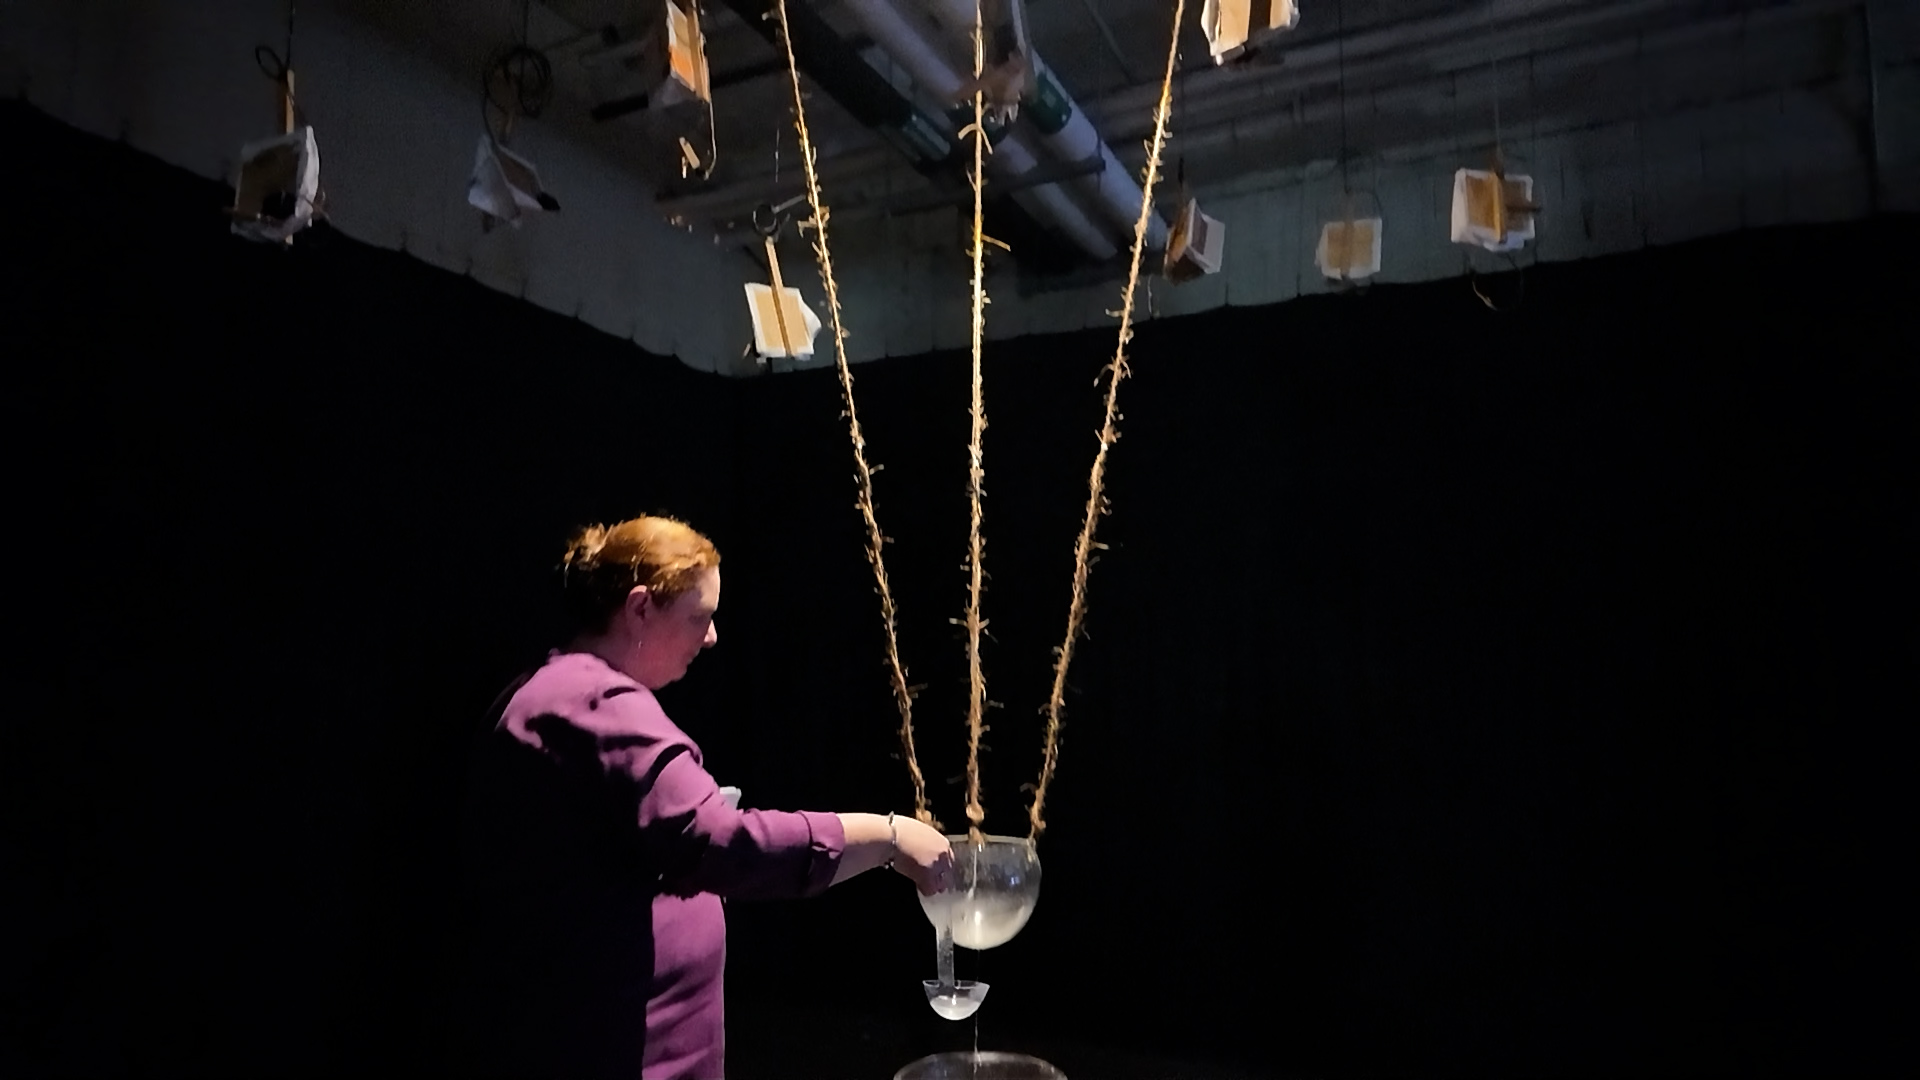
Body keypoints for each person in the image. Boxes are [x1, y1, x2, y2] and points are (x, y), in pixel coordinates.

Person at [456, 515, 953, 1080]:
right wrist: (889, 837)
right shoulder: (594, 704)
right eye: (701, 616)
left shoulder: (559, 691)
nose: (713, 637)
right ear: (640, 607)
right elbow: (721, 844)